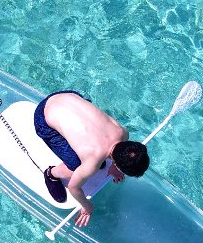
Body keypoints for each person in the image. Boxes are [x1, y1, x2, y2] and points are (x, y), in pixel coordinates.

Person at [34, 91, 150, 226]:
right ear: (118, 164)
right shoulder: (92, 161)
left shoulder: (122, 132)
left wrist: (113, 166)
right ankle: (51, 174)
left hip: (67, 95)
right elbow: (73, 187)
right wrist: (87, 206)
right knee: (75, 168)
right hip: (43, 116)